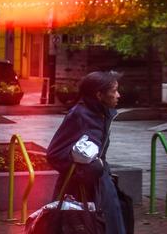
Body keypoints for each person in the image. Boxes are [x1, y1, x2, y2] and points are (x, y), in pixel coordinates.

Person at [47, 71, 126, 234]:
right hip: (78, 188)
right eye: (114, 91)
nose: (119, 95)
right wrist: (86, 169)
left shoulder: (103, 113)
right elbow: (54, 153)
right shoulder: (79, 115)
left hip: (102, 183)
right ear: (99, 94)